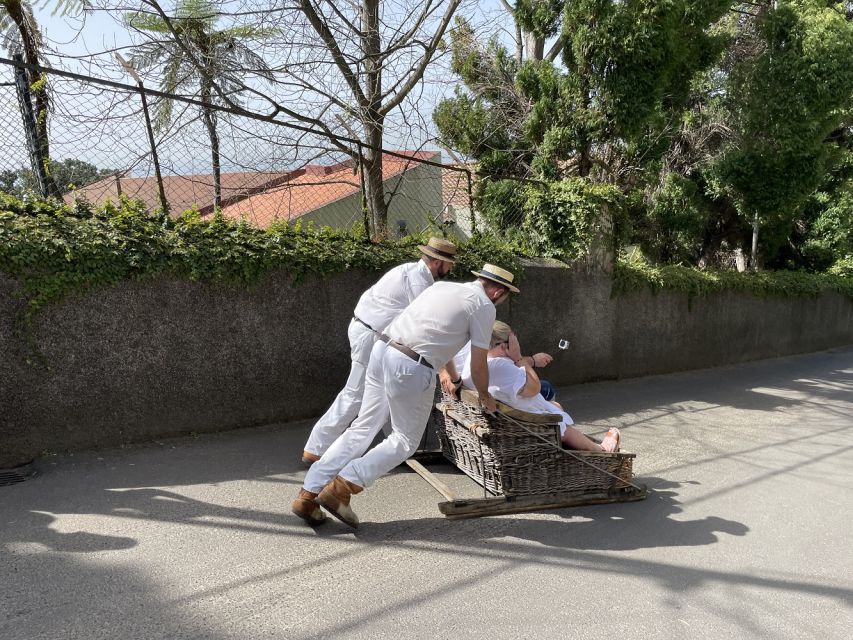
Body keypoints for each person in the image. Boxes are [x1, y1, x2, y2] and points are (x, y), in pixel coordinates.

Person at [291, 264, 519, 528]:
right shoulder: (484, 306)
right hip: (411, 367)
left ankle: (307, 495)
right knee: (404, 440)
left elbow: (438, 339)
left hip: (384, 349)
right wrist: (484, 396)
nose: (502, 301)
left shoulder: (444, 287)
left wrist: (453, 377)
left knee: (363, 427)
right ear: (497, 292)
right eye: (505, 296)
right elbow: (479, 363)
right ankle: (342, 487)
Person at [301, 237, 457, 464]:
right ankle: (316, 448)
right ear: (437, 262)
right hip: (371, 334)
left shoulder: (413, 272)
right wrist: (445, 369)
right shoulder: (418, 281)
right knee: (356, 393)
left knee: (386, 390)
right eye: (449, 263)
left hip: (373, 334)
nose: (451, 268)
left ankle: (393, 448)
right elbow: (427, 326)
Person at [454, 321, 621, 453]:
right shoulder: (499, 365)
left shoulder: (474, 359)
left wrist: (528, 360)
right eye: (514, 340)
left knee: (556, 406)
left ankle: (570, 440)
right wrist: (519, 357)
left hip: (510, 411)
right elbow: (534, 387)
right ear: (504, 345)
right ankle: (601, 450)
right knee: (559, 420)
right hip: (525, 419)